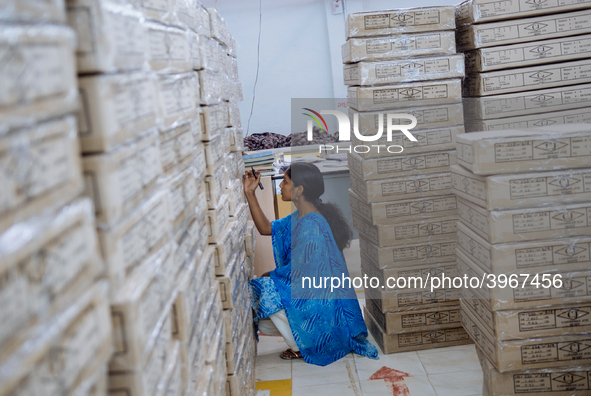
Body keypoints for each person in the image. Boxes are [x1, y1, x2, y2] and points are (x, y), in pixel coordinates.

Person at [242, 162, 378, 366]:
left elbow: (300, 275)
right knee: (263, 296)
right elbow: (265, 228)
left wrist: (268, 276)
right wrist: (250, 193)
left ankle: (304, 344)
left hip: (324, 306)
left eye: (285, 182)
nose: (281, 187)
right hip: (315, 298)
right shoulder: (300, 217)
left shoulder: (313, 225)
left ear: (299, 190)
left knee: (263, 289)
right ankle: (302, 336)